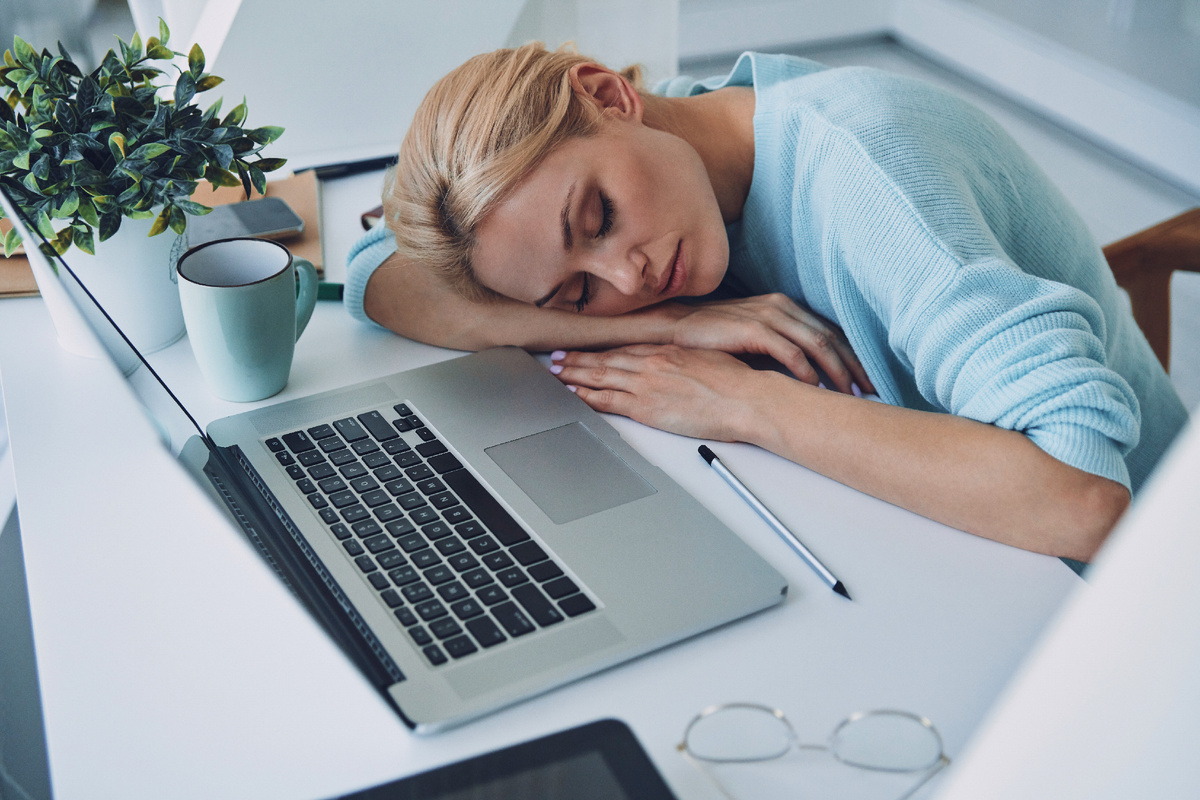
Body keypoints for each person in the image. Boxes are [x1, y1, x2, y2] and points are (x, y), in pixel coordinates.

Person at [344, 44, 1189, 565]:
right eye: (578, 292)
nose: (628, 277)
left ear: (607, 94)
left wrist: (747, 406)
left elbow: (1082, 501)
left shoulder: (866, 179)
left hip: (1129, 593)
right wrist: (670, 323)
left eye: (597, 218)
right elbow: (379, 278)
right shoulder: (689, 127)